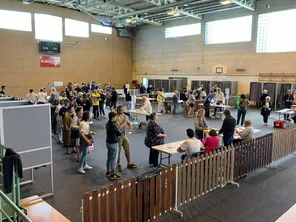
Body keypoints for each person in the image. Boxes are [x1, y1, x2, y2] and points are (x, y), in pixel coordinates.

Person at [116, 105, 137, 171]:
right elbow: (119, 127)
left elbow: (129, 123)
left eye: (123, 110)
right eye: (121, 110)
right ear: (118, 110)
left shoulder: (123, 116)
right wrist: (125, 121)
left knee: (127, 148)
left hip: (124, 135)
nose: (123, 111)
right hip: (118, 137)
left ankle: (129, 163)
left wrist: (130, 129)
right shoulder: (116, 117)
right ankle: (118, 165)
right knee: (118, 151)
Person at [106, 111, 122, 179]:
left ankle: (108, 171)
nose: (116, 118)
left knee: (109, 156)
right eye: (115, 117)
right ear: (113, 117)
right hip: (113, 143)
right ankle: (112, 174)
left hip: (108, 142)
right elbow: (119, 133)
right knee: (113, 159)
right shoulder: (113, 125)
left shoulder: (107, 124)